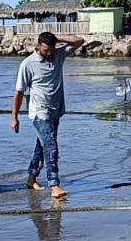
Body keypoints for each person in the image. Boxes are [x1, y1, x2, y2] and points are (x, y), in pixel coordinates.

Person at [11, 32, 85, 199]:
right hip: (39, 112)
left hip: (55, 110)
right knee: (51, 147)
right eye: (45, 50)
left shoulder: (58, 55)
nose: (49, 53)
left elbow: (80, 41)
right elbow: (19, 92)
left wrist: (57, 39)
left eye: (51, 49)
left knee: (42, 146)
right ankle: (54, 185)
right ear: (38, 47)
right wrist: (14, 117)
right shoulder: (28, 64)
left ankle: (31, 179)